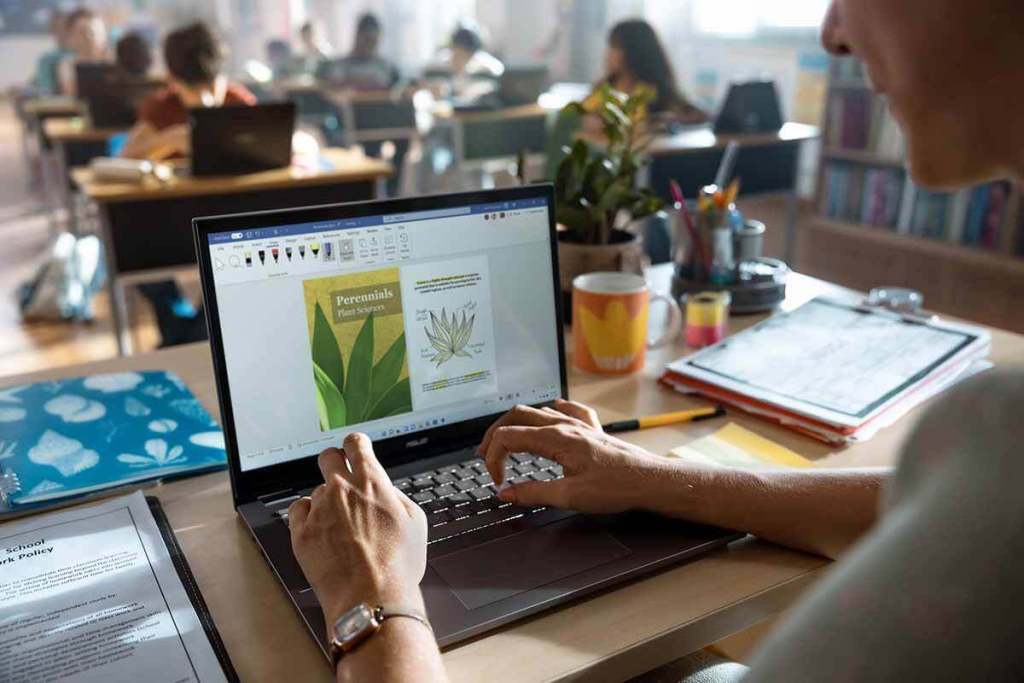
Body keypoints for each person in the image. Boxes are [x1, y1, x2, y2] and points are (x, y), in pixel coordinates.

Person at [287, 0, 1024, 681]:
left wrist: (373, 599)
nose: (832, 31)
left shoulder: (999, 441)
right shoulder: (987, 470)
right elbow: (916, 507)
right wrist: (651, 478)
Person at [121, 22, 255, 160]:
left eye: (211, 85)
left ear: (223, 77)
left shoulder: (238, 102)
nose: (205, 98)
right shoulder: (163, 108)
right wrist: (167, 140)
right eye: (193, 88)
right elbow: (123, 160)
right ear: (171, 80)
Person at [599, 19, 707, 124]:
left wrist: (672, 120)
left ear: (634, 52)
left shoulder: (653, 93)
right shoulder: (605, 88)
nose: (608, 54)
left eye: (615, 47)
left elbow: (700, 116)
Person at [316, 13, 399, 90]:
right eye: (367, 40)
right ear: (357, 37)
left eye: (373, 42)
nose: (370, 46)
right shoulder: (339, 66)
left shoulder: (386, 68)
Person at [56, 7, 108, 96]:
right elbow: (71, 94)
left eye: (96, 32)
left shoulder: (116, 62)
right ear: (70, 38)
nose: (90, 37)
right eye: (83, 32)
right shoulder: (68, 65)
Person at [32, 9, 70, 96]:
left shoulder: (80, 54)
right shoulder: (47, 59)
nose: (61, 32)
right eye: (56, 28)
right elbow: (45, 89)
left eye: (64, 28)